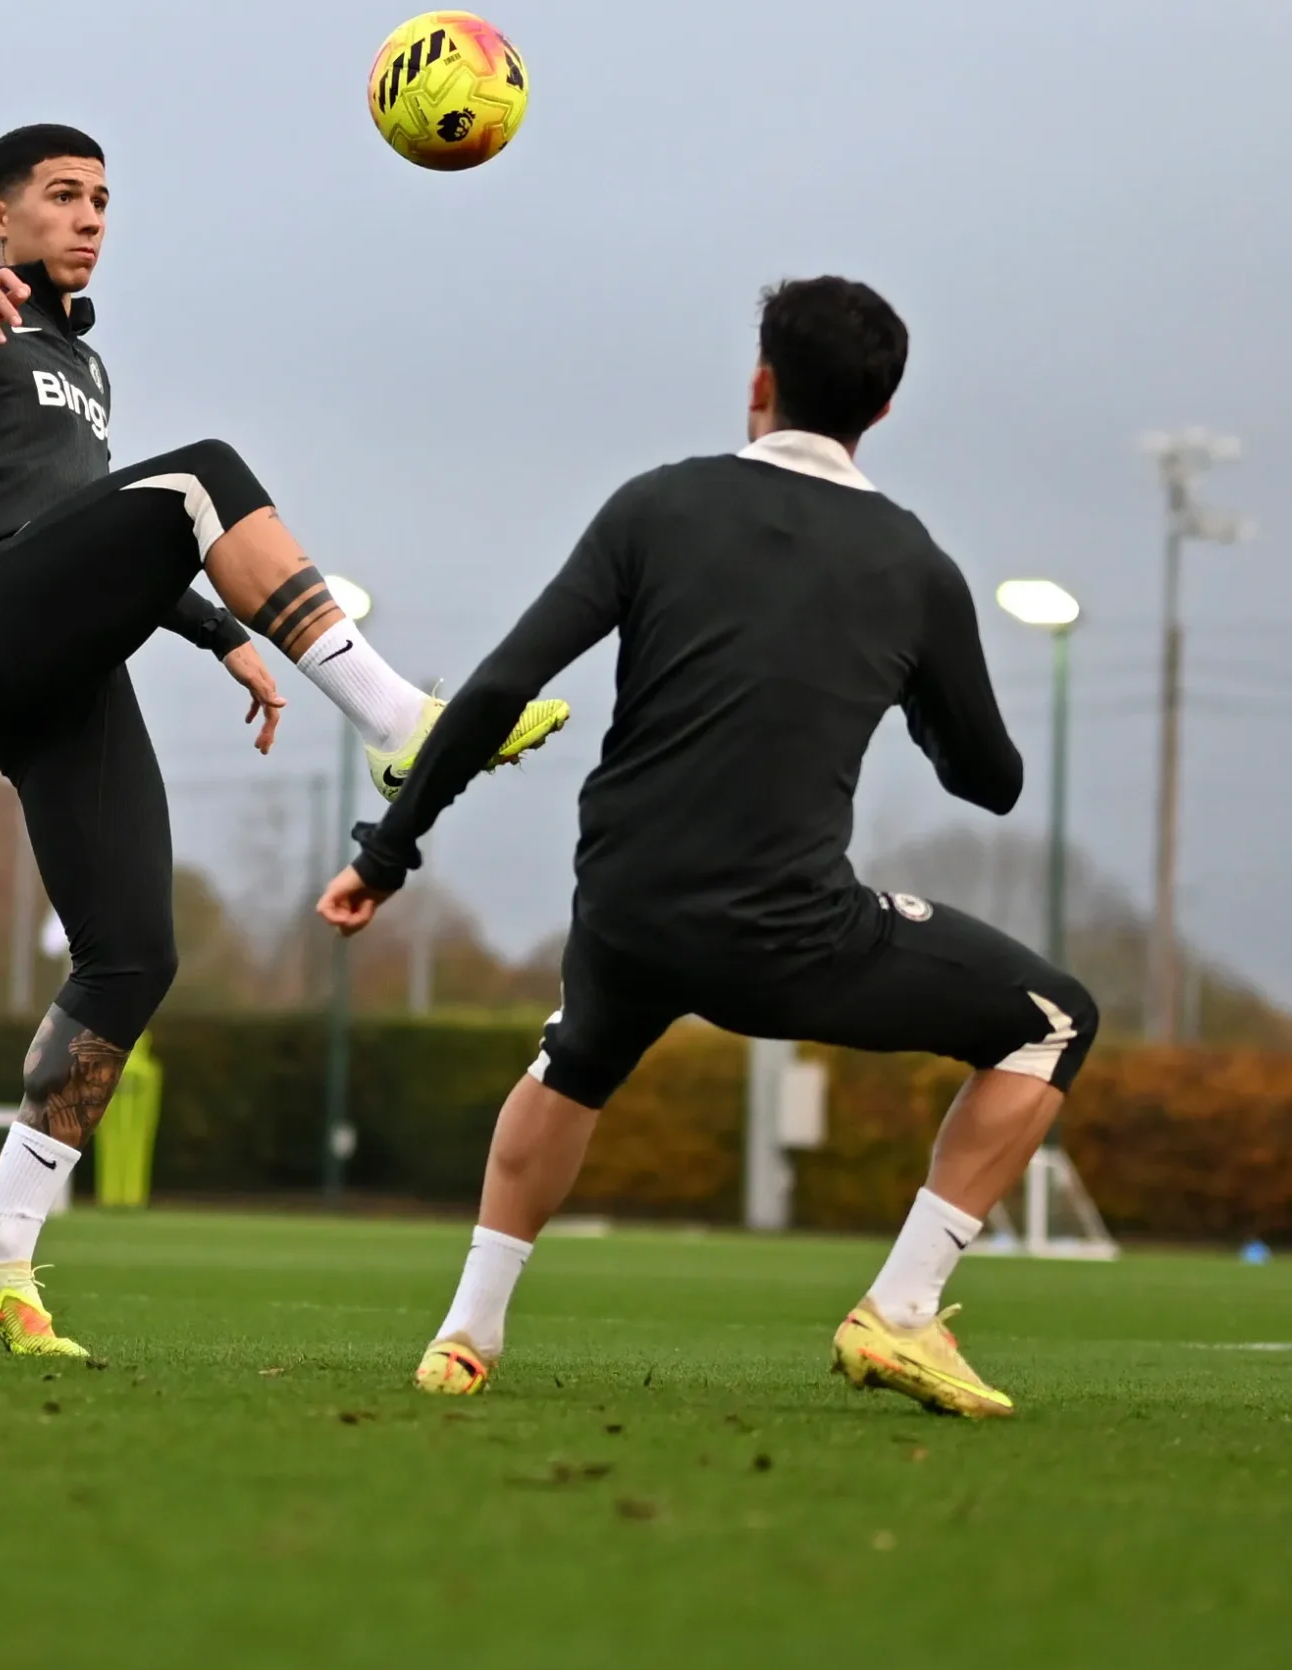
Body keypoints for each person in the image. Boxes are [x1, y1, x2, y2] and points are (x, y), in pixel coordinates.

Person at [0, 122, 570, 1360]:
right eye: (62, 195)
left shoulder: (84, 369)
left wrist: (217, 631)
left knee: (131, 957)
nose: (90, 215)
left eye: (103, 197)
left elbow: (100, 527)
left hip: (63, 665)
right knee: (209, 466)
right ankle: (397, 722)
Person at [318, 275, 1097, 1420]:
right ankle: (901, 1312)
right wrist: (917, 690)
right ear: (879, 412)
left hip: (625, 903)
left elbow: (498, 686)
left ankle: (465, 1333)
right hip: (786, 934)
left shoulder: (655, 507)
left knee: (576, 1054)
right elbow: (990, 782)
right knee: (1053, 1018)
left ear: (759, 385)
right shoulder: (915, 567)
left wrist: (386, 853)